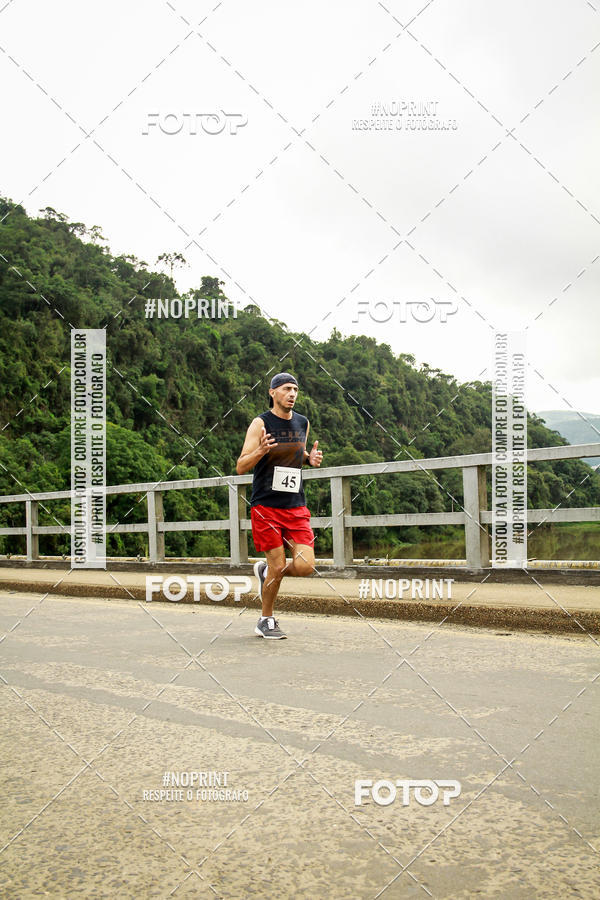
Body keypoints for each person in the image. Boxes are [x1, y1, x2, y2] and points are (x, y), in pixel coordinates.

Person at [236, 373, 323, 639]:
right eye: (286, 389)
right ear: (272, 392)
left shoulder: (302, 422)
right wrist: (260, 451)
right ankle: (266, 619)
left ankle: (264, 571)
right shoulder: (260, 423)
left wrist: (309, 459)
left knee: (305, 566)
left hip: (295, 505)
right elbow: (241, 466)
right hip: (267, 506)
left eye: (296, 389)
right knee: (278, 566)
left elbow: (296, 452)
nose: (292, 393)